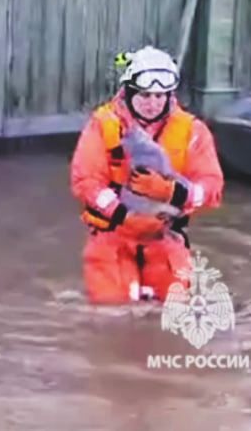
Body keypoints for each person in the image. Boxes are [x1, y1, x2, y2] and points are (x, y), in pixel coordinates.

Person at [69, 46, 225, 304]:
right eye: (145, 95)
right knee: (112, 312)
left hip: (164, 236)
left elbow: (211, 188)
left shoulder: (192, 131)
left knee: (176, 310)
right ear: (130, 91)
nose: (152, 103)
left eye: (159, 96)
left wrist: (174, 192)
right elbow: (86, 181)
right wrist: (123, 216)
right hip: (113, 235)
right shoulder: (103, 125)